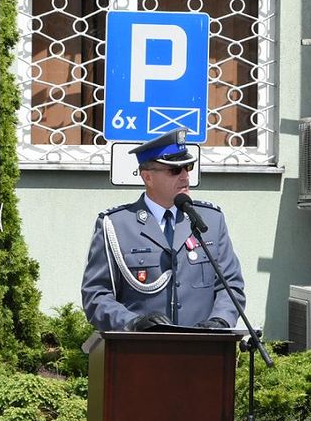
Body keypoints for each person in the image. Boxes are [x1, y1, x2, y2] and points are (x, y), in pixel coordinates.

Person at [81, 129, 245, 332]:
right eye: (174, 171)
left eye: (188, 167)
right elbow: (96, 295)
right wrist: (132, 322)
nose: (185, 176)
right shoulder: (116, 225)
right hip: (141, 346)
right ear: (147, 177)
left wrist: (220, 321)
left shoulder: (211, 220)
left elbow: (230, 286)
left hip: (203, 345)